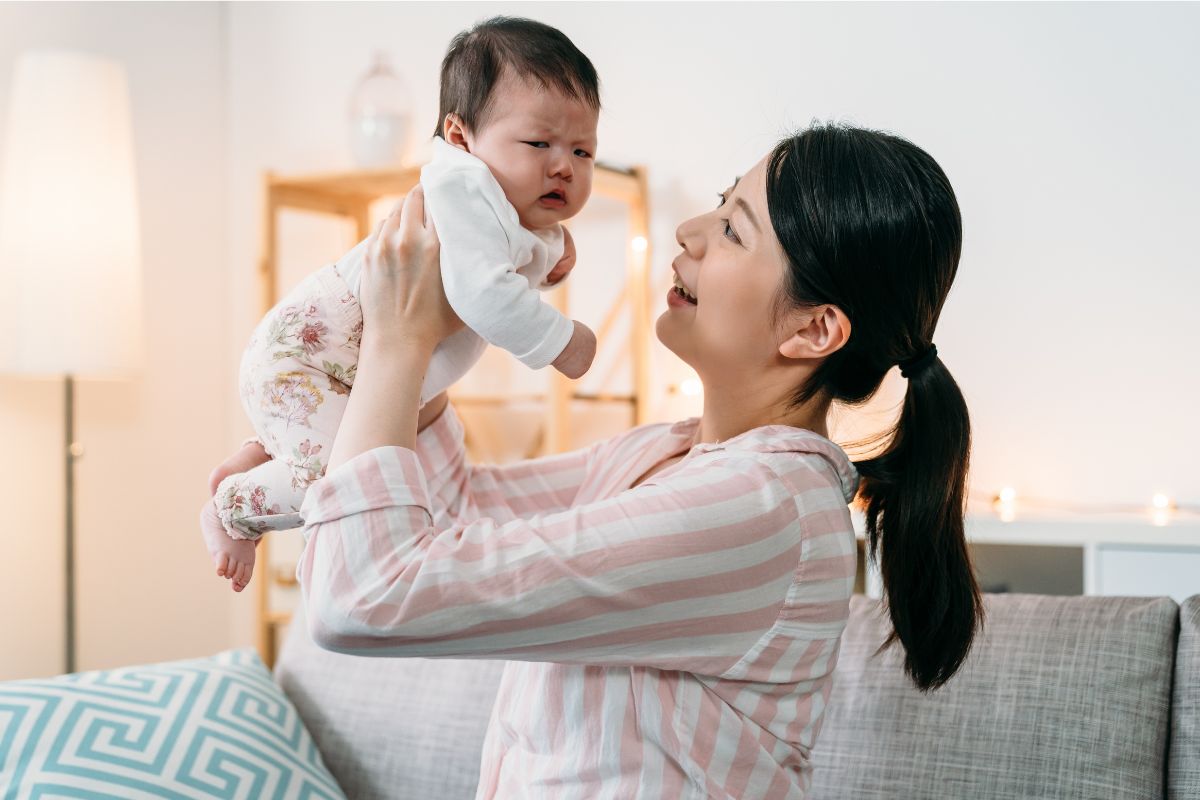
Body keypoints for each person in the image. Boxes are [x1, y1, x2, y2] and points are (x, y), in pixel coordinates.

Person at [201, 122, 985, 798]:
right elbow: (451, 513)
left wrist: (397, 342)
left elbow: (365, 598)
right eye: (719, 201)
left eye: (736, 230)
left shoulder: (764, 510)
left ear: (815, 331)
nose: (691, 231)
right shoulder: (671, 454)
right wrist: (333, 420)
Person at [204, 17, 601, 592]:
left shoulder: (503, 207)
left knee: (354, 456)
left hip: (338, 373)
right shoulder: (462, 188)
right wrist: (562, 342)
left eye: (583, 150)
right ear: (461, 138)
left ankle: (258, 457)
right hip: (307, 359)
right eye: (539, 142)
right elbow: (481, 293)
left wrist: (554, 251)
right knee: (342, 482)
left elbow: (503, 258)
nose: (563, 164)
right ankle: (231, 509)